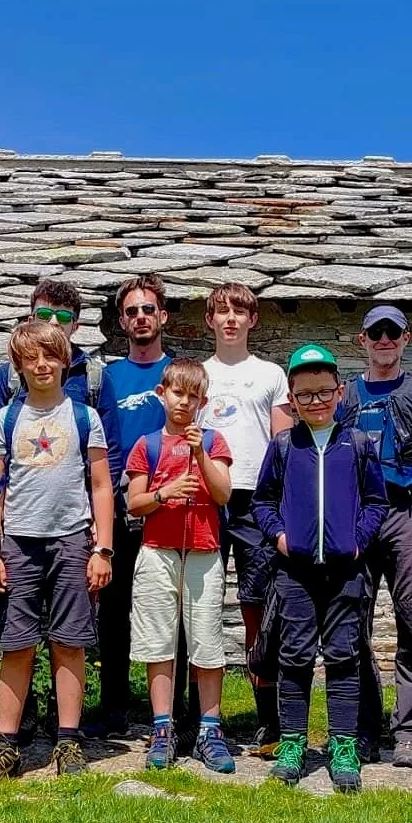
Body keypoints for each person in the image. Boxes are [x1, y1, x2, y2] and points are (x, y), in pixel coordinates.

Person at [0, 319, 115, 782]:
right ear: (18, 365)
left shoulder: (83, 417)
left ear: (65, 362)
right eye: (30, 358)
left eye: (50, 356)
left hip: (72, 539)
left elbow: (101, 485)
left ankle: (68, 741)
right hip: (18, 541)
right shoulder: (6, 419)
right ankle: (7, 742)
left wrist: (103, 548)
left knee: (70, 642)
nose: (41, 365)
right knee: (17, 643)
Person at [252, 344, 386, 793]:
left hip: (345, 571)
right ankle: (292, 744)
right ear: (290, 398)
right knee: (294, 657)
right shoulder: (285, 445)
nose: (314, 401)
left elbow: (375, 501)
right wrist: (280, 537)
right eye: (304, 395)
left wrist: (358, 541)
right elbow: (263, 500)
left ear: (340, 392)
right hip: (296, 571)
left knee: (345, 657)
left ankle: (342, 746)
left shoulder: (358, 445)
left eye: (323, 392)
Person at [337, 305, 412, 769]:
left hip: (408, 511)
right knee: (352, 622)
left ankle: (411, 731)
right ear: (362, 340)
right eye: (375, 333)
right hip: (357, 517)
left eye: (393, 332)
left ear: (406, 337)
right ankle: (361, 728)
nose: (384, 339)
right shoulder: (345, 395)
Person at [124, 358, 236, 773]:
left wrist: (199, 452)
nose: (184, 402)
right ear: (162, 394)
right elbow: (133, 504)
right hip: (157, 551)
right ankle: (162, 728)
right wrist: (166, 491)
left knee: (206, 642)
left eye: (193, 396)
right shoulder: (146, 445)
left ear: (202, 401)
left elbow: (223, 494)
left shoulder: (214, 441)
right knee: (160, 643)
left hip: (203, 554)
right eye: (177, 393)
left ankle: (210, 729)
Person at [198, 283, 292, 754]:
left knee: (258, 610)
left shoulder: (270, 374)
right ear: (209, 320)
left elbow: (283, 442)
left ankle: (269, 719)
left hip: (256, 499)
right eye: (222, 311)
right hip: (206, 496)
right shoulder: (199, 374)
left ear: (253, 320)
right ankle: (195, 719)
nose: (231, 319)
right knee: (200, 604)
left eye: (240, 311)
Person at [89, 274, 175, 738]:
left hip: (170, 507)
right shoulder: (108, 378)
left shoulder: (181, 372)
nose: (140, 317)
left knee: (171, 610)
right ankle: (114, 705)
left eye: (148, 309)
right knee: (114, 610)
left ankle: (177, 711)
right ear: (121, 321)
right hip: (120, 507)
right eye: (131, 311)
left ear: (162, 316)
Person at [0, 278, 105, 412]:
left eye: (63, 316)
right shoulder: (8, 375)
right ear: (31, 321)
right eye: (44, 314)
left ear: (74, 327)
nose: (53, 322)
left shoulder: (95, 377)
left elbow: (107, 432)